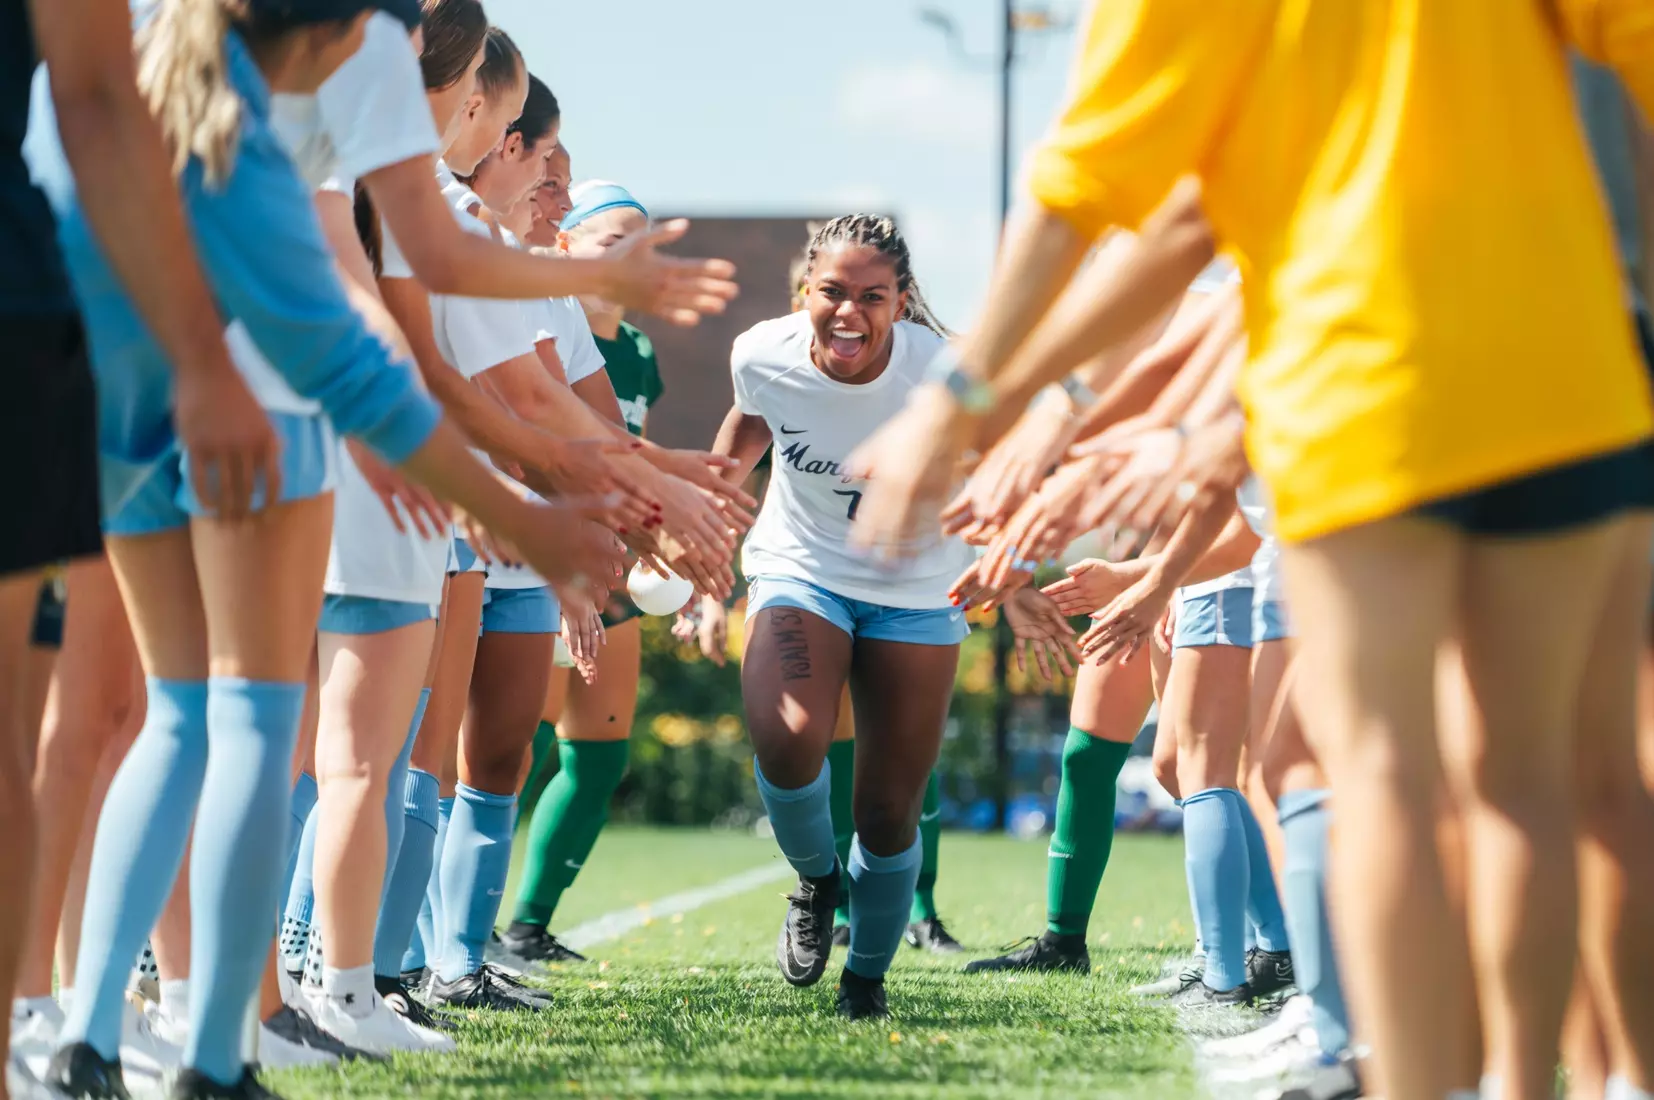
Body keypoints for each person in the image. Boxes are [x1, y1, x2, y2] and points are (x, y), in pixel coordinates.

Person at [849, 3, 1654, 1095]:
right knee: (1552, 778)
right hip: (1567, 361)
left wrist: (970, 399)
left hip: (1358, 381)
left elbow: (1104, 192)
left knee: (1382, 777)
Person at [33, 2, 627, 1095]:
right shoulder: (267, 146)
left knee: (169, 717)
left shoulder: (117, 90)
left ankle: (87, 1026)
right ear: (346, 32)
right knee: (253, 727)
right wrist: (482, 489)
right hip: (259, 427)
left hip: (117, 420)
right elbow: (342, 335)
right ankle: (215, 1051)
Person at [705, 214, 976, 1020]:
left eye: (872, 297)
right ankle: (818, 881)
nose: (849, 312)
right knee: (788, 737)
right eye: (832, 292)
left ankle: (865, 981)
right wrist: (705, 523)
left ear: (901, 301)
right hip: (804, 568)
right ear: (805, 293)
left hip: (917, 586)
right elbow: (752, 421)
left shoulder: (942, 371)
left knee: (888, 813)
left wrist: (1012, 559)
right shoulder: (762, 352)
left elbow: (1001, 454)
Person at [502, 179, 664, 968]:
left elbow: (634, 459)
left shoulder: (638, 351)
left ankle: (527, 926)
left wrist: (653, 540)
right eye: (612, 239)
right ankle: (454, 932)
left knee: (600, 752)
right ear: (565, 242)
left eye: (643, 242)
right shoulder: (540, 318)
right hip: (537, 558)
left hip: (610, 570)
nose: (630, 255)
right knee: (506, 751)